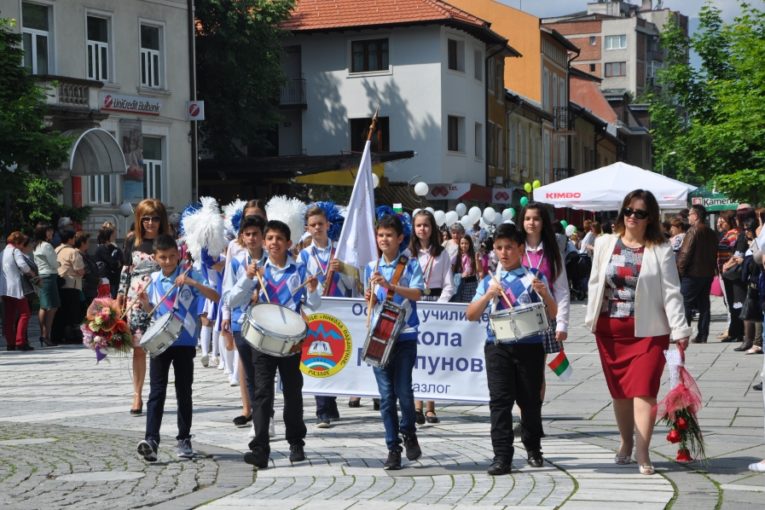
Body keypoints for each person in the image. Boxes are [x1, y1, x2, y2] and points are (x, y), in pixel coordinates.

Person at [585, 189, 690, 476]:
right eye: (629, 210)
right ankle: (625, 442)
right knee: (619, 393)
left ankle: (643, 451)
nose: (632, 216)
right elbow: (595, 283)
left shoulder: (661, 249)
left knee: (644, 391)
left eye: (640, 213)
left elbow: (671, 291)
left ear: (650, 217)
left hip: (648, 331)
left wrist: (680, 328)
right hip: (610, 330)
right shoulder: (606, 242)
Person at [226, 220, 319, 469]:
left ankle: (296, 442)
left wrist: (312, 291)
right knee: (262, 394)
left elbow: (313, 306)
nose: (274, 243)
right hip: (263, 341)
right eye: (270, 239)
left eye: (279, 238)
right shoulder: (256, 270)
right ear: (264, 243)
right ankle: (260, 449)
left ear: (288, 243)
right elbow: (232, 301)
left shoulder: (299, 271)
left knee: (292, 393)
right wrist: (247, 281)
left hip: (289, 342)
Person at [466, 223, 557, 475]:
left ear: (520, 248)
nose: (504, 253)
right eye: (499, 248)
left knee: (530, 402)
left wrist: (545, 294)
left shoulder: (534, 278)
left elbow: (553, 312)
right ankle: (502, 457)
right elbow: (471, 315)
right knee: (499, 402)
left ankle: (533, 447)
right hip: (498, 347)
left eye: (509, 248)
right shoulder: (490, 280)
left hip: (530, 347)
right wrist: (487, 297)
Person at [135, 234, 219, 462]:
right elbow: (154, 310)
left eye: (173, 256)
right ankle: (151, 439)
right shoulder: (152, 279)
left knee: (184, 392)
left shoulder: (191, 274)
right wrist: (144, 302)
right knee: (156, 392)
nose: (169, 261)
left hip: (183, 342)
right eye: (163, 257)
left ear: (179, 255)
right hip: (160, 343)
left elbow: (215, 296)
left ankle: (184, 438)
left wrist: (193, 283)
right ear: (156, 257)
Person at [364, 214, 424, 470]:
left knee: (404, 392)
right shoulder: (371, 266)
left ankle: (408, 431)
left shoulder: (410, 264)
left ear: (400, 238)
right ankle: (393, 448)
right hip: (380, 336)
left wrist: (391, 286)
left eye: (389, 235)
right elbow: (372, 302)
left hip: (405, 335)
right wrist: (371, 297)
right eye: (380, 235)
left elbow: (418, 293)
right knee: (386, 396)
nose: (384, 239)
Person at [299, 205, 354, 428]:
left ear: (328, 225)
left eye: (321, 224)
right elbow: (300, 283)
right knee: (319, 356)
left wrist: (343, 269)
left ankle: (331, 404)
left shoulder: (340, 251)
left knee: (337, 353)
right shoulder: (304, 254)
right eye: (313, 225)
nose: (317, 228)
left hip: (338, 308)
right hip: (315, 308)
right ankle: (323, 409)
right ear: (307, 228)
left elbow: (354, 283)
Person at [118, 198, 170, 416]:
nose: (150, 223)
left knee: (159, 350)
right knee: (138, 349)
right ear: (139, 219)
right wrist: (120, 294)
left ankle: (157, 394)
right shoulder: (132, 241)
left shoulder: (167, 240)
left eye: (155, 218)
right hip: (136, 300)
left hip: (160, 297)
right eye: (146, 218)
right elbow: (126, 269)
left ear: (161, 220)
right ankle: (137, 395)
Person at [520, 203, 570, 410]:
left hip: (543, 317)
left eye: (536, 219)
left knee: (536, 370)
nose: (531, 223)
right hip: (518, 316)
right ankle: (525, 413)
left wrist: (562, 324)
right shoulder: (515, 248)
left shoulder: (552, 253)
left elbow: (562, 290)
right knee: (520, 371)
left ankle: (533, 416)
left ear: (543, 223)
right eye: (527, 218)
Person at [410, 210, 455, 425]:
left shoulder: (442, 253)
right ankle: (416, 406)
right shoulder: (409, 253)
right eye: (418, 225)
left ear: (432, 228)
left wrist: (440, 306)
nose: (422, 229)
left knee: (433, 357)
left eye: (426, 225)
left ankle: (430, 407)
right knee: (416, 357)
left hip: (436, 305)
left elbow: (449, 284)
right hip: (415, 305)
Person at [225, 215, 268, 430]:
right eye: (248, 234)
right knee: (250, 373)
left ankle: (266, 416)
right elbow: (229, 297)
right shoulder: (235, 262)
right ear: (242, 237)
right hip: (241, 323)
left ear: (263, 236)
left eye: (256, 234)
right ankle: (258, 417)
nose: (252, 238)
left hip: (267, 325)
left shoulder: (272, 260)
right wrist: (247, 280)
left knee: (264, 373)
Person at [677, 205, 718, 344]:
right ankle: (703, 334)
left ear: (696, 215)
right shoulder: (711, 232)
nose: (688, 217)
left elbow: (685, 253)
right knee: (704, 305)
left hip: (692, 274)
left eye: (690, 214)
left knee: (685, 305)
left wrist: (679, 272)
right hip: (707, 273)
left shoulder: (693, 231)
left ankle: (683, 334)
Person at [1, 232, 37, 351]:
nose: (22, 246)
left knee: (8, 316)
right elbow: (22, 265)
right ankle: (20, 341)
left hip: (4, 288)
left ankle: (10, 343)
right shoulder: (15, 251)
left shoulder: (2, 253)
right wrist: (31, 273)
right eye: (21, 243)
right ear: (17, 242)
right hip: (16, 287)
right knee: (24, 313)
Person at [52, 229, 85, 344]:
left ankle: (58, 336)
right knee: (72, 313)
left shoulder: (56, 250)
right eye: (74, 237)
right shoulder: (73, 252)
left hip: (60, 284)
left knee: (61, 313)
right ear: (70, 239)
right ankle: (71, 336)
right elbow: (80, 270)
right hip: (72, 284)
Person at [32, 224, 59, 347]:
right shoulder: (47, 245)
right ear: (44, 232)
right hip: (49, 276)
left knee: (43, 306)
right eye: (49, 231)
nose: (51, 233)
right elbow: (54, 263)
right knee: (52, 307)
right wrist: (59, 263)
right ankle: (46, 334)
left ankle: (44, 335)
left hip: (41, 275)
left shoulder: (36, 246)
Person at [95, 224, 123, 298]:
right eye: (114, 233)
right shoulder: (101, 248)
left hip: (113, 280)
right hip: (105, 280)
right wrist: (117, 263)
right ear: (109, 235)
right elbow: (113, 263)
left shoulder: (113, 247)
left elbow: (121, 260)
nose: (116, 235)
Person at [77, 232, 100, 312]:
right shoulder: (78, 255)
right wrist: (98, 280)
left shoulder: (85, 254)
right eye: (88, 241)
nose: (89, 244)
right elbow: (86, 273)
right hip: (86, 289)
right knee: (89, 312)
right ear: (82, 243)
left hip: (92, 288)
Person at [452, 235, 478, 302]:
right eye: (462, 243)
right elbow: (451, 271)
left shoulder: (473, 256)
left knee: (469, 305)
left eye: (466, 243)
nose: (464, 245)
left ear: (470, 244)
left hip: (471, 284)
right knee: (459, 305)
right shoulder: (457, 256)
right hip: (459, 283)